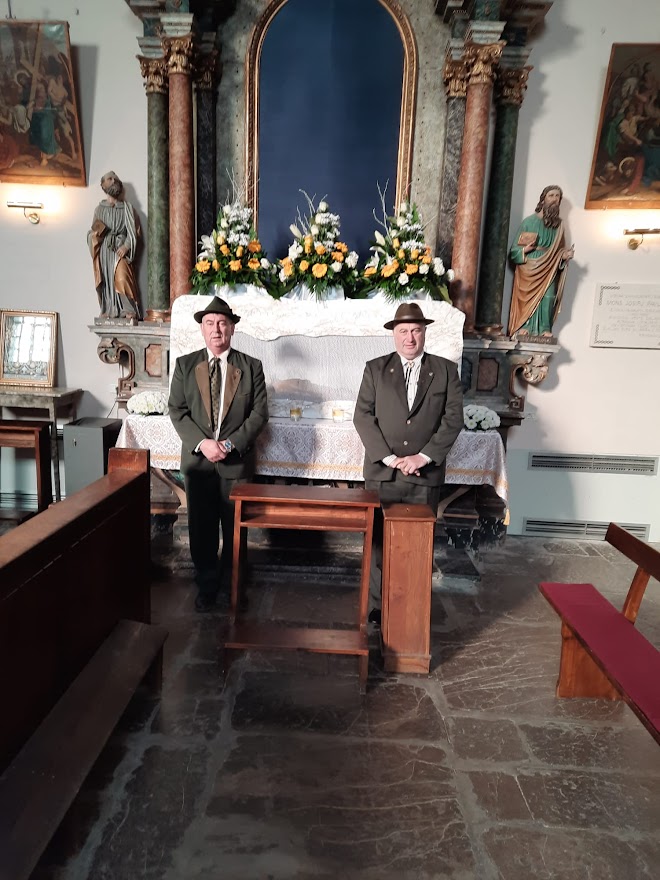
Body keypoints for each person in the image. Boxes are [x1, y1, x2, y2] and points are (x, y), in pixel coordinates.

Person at [353, 302, 464, 624]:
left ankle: (412, 608)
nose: (410, 338)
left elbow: (453, 419)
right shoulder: (375, 369)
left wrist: (423, 457)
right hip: (383, 475)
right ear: (394, 334)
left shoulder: (446, 371)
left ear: (425, 332)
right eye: (403, 331)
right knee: (378, 545)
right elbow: (363, 416)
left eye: (416, 330)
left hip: (424, 476)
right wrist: (389, 458)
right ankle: (377, 608)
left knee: (418, 546)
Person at [168, 296, 269, 612]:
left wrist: (229, 444)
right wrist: (203, 443)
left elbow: (259, 413)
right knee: (202, 528)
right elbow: (177, 410)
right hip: (199, 463)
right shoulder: (185, 365)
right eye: (210, 323)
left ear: (232, 328)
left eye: (223, 323)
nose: (216, 329)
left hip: (235, 463)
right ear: (202, 329)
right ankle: (207, 586)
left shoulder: (251, 367)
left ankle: (232, 588)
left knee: (235, 529)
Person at [508, 185, 574, 339]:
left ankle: (545, 327)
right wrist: (525, 250)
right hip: (530, 266)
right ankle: (524, 325)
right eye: (551, 195)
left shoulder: (560, 226)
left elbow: (560, 250)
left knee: (549, 296)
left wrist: (565, 255)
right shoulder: (528, 222)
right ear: (543, 199)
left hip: (550, 265)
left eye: (557, 196)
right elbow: (514, 251)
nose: (555, 199)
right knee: (527, 296)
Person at [87, 171, 141, 319]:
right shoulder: (99, 209)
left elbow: (134, 231)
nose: (114, 180)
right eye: (110, 179)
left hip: (120, 248)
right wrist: (94, 235)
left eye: (115, 178)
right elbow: (93, 231)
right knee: (107, 280)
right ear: (103, 185)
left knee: (122, 276)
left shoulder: (127, 208)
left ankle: (128, 309)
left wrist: (126, 246)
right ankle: (109, 308)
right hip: (105, 250)